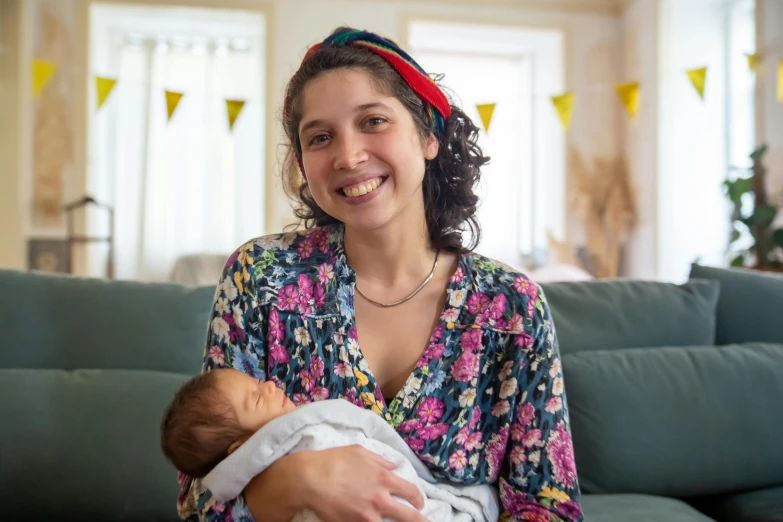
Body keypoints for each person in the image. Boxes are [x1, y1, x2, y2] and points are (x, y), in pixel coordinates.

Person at [177, 26, 583, 522]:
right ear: (304, 165)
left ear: (428, 136)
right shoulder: (258, 279)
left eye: (373, 120)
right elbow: (200, 497)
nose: (348, 157)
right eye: (320, 137)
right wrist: (295, 483)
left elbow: (548, 507)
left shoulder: (512, 307)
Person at [161, 368, 497, 521]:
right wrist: (295, 483)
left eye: (255, 381)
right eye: (254, 399)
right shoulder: (303, 440)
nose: (266, 385)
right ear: (238, 448)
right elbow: (200, 509)